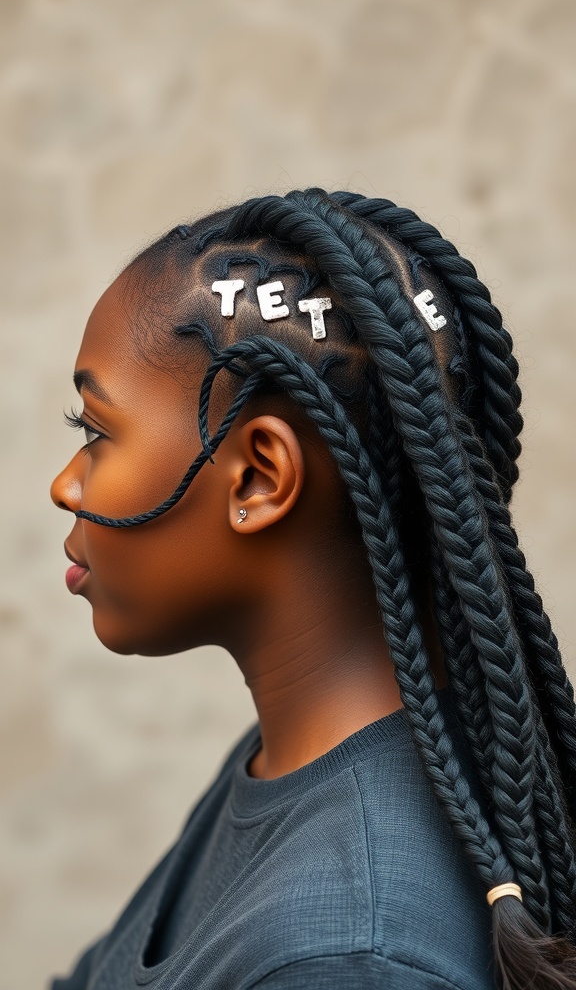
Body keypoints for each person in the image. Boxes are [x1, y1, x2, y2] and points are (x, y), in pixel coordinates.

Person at [49, 188, 576, 990]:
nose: (65, 485)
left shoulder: (348, 958)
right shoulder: (292, 760)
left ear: (259, 477)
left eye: (94, 432)